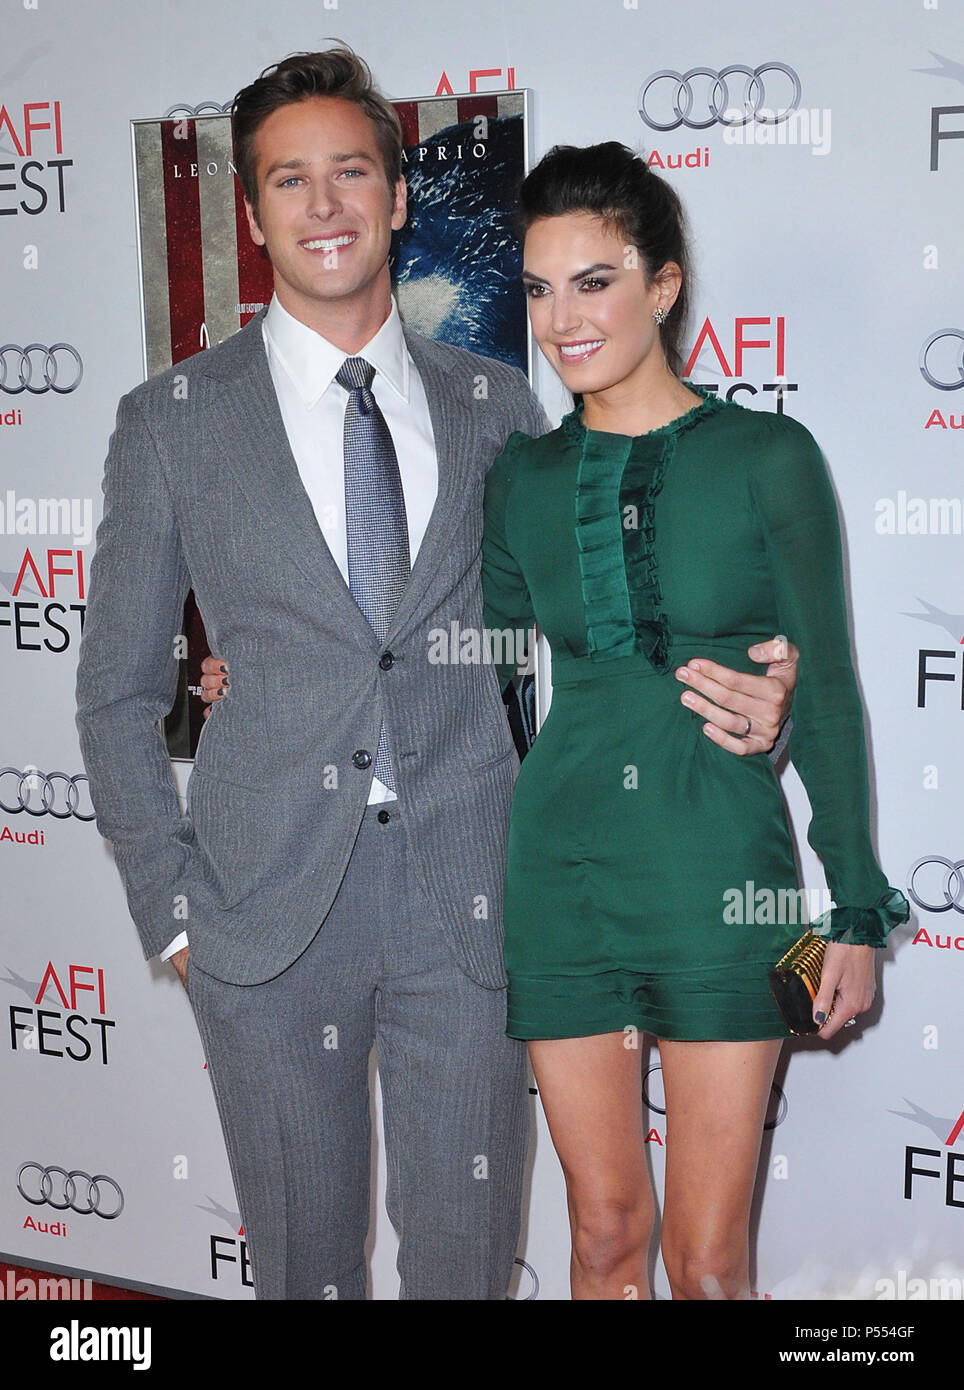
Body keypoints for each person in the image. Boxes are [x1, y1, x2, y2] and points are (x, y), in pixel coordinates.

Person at [77, 45, 796, 1302]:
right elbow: (117, 696)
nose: (325, 205)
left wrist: (761, 687)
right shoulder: (172, 420)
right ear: (250, 215)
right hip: (260, 908)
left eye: (351, 171)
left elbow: (611, 624)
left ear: (398, 196)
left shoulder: (501, 409)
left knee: (465, 1263)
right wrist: (173, 911)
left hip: (471, 901)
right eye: (289, 181)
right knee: (302, 1264)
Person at [476, 141, 909, 1300]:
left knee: (710, 1261)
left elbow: (822, 692)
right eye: (538, 287)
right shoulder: (518, 476)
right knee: (604, 1234)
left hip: (730, 876)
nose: (562, 318)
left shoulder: (769, 457)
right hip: (560, 876)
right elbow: (481, 679)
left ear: (662, 285)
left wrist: (855, 912)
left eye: (595, 280)